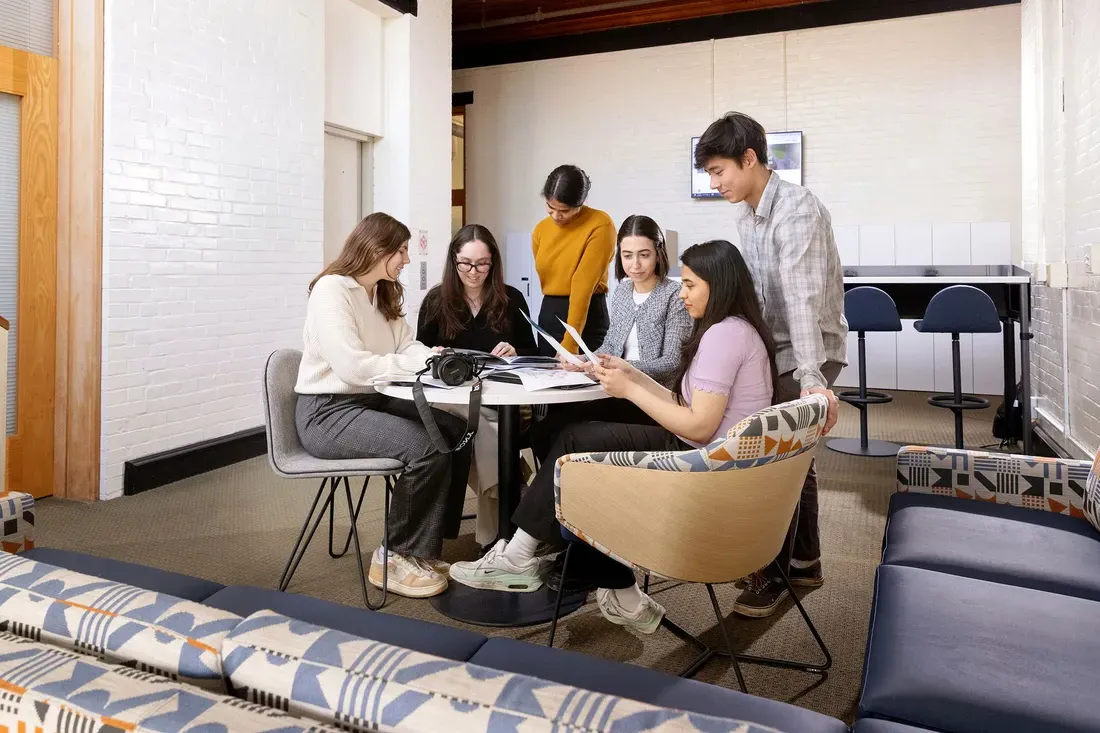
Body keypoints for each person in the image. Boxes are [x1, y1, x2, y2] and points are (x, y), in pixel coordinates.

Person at [449, 241, 776, 634]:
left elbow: (699, 426)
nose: (683, 294)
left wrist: (632, 390)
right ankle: (613, 585)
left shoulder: (723, 336)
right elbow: (689, 404)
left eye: (690, 285)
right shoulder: (735, 330)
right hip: (712, 457)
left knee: (577, 445)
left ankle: (522, 555)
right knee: (569, 433)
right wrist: (633, 376)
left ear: (718, 285)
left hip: (700, 465)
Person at [694, 111, 848, 618]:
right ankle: (802, 562)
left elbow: (802, 301)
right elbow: (760, 294)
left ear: (750, 159)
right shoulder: (748, 214)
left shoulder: (797, 211)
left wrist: (809, 378)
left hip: (810, 351)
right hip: (777, 346)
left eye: (719, 172)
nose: (715, 183)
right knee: (792, 459)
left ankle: (779, 570)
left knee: (778, 456)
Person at [294, 212, 471, 600]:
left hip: (372, 399)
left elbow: (406, 344)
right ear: (377, 248)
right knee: (424, 446)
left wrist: (432, 356)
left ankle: (422, 550)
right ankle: (394, 556)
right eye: (402, 251)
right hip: (327, 412)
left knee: (454, 431)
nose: (407, 260)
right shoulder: (332, 290)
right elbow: (352, 366)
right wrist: (413, 363)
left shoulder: (382, 292)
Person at [527, 214, 693, 464]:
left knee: (565, 428)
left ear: (658, 253)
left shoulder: (674, 295)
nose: (635, 264)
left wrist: (621, 367)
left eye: (644, 255)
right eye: (627, 255)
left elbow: (671, 362)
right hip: (614, 392)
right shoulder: (623, 292)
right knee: (544, 429)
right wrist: (582, 359)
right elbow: (611, 346)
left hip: (651, 399)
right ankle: (561, 488)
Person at [417, 224, 537, 548]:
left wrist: (515, 351)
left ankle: (496, 530)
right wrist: (433, 354)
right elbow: (417, 355)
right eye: (466, 263)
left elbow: (535, 352)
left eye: (482, 264)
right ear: (453, 261)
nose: (474, 272)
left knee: (480, 422)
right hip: (449, 403)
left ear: (493, 262)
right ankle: (510, 505)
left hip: (500, 401)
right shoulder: (435, 301)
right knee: (480, 423)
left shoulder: (511, 298)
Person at [532, 165, 616, 357]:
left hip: (587, 315)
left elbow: (583, 284)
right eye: (550, 207)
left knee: (588, 382)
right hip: (550, 313)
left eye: (564, 211)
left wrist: (571, 341)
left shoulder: (600, 224)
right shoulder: (540, 230)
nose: (556, 216)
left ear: (581, 203)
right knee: (547, 381)